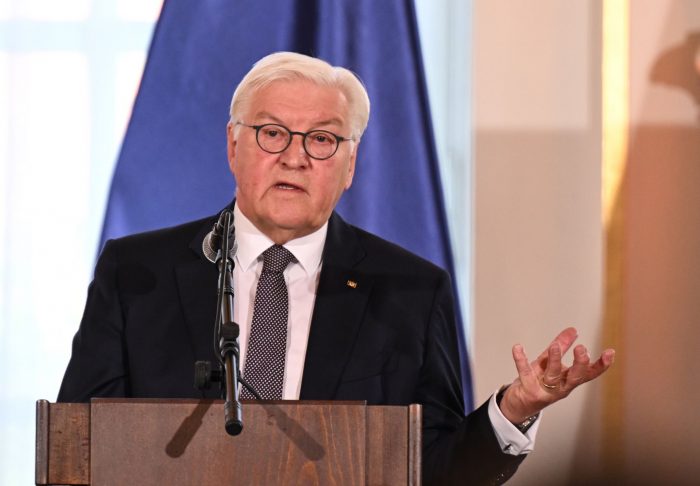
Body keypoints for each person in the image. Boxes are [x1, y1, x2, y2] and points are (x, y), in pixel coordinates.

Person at [58, 52, 615, 484]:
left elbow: (439, 469)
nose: (294, 156)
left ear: (350, 165)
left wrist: (514, 410)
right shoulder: (137, 273)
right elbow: (77, 441)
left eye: (322, 139)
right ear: (233, 145)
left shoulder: (411, 292)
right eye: (272, 132)